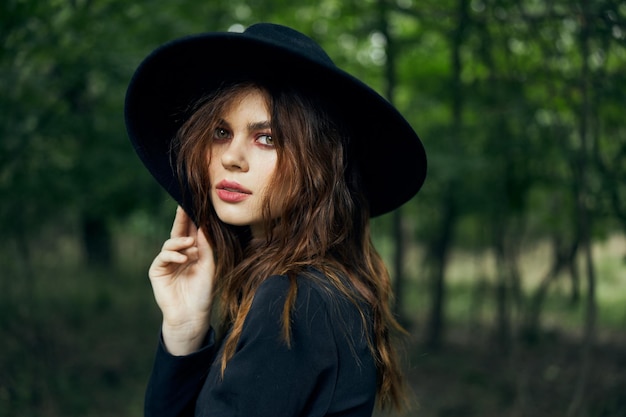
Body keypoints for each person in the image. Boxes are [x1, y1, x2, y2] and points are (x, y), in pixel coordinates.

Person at [125, 23, 427, 417]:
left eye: (266, 137)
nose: (232, 157)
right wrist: (184, 332)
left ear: (316, 164)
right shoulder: (305, 289)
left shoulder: (296, 300)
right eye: (220, 132)